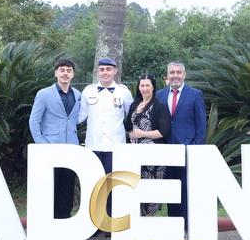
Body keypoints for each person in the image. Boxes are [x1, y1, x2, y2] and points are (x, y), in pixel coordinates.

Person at [79, 57, 134, 220]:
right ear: (97, 72)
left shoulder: (124, 92)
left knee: (113, 184)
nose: (105, 73)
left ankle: (111, 221)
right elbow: (80, 116)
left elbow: (131, 116)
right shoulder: (88, 91)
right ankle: (95, 222)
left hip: (115, 146)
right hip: (93, 145)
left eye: (108, 69)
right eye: (102, 69)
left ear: (115, 71)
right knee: (95, 184)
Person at [156, 61, 206, 232]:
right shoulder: (159, 95)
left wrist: (196, 148)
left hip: (187, 151)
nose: (175, 76)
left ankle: (186, 225)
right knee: (170, 189)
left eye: (178, 72)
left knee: (186, 189)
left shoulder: (195, 95)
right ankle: (173, 225)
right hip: (165, 151)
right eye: (172, 72)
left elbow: (201, 125)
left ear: (184, 75)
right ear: (167, 75)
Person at [28, 58, 82, 219]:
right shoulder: (44, 94)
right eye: (62, 70)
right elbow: (34, 121)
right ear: (56, 73)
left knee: (67, 186)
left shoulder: (78, 95)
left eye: (69, 70)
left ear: (73, 74)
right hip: (50, 148)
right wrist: (42, 144)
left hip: (71, 148)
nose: (65, 73)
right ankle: (47, 221)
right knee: (50, 185)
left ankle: (64, 219)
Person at [124, 73, 171, 215]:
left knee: (151, 193)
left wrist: (142, 134)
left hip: (153, 156)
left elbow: (164, 132)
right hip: (135, 156)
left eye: (147, 85)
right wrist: (131, 134)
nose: (144, 88)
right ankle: (137, 221)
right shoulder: (134, 104)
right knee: (135, 190)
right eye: (142, 85)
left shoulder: (160, 106)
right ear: (138, 87)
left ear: (153, 87)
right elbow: (128, 126)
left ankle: (149, 221)